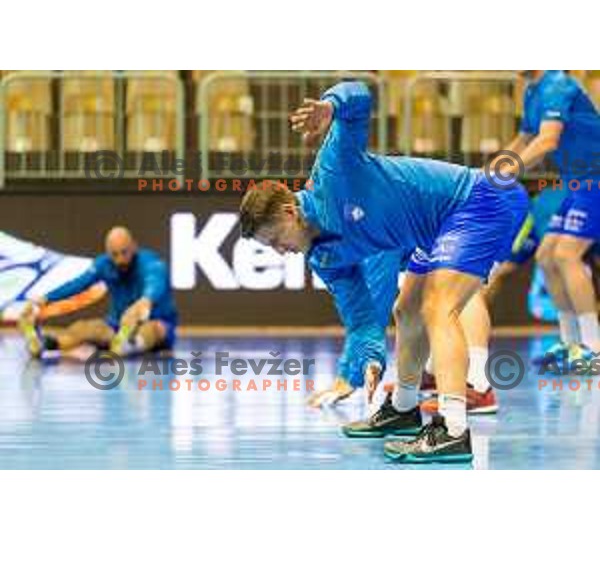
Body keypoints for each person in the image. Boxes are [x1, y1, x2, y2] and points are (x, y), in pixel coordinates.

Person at [240, 81, 529, 463]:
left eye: (276, 238)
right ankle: (404, 409)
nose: (279, 251)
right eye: (269, 247)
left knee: (438, 306)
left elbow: (359, 96)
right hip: (435, 229)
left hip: (479, 199)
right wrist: (370, 360)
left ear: (290, 212)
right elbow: (361, 320)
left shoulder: (333, 170)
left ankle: (454, 429)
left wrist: (330, 107)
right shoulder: (323, 258)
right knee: (405, 310)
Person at [488, 71, 600, 365]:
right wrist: (489, 175)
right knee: (547, 255)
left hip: (596, 180)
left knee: (566, 255)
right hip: (578, 183)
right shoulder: (532, 90)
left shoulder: (558, 84)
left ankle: (594, 348)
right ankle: (570, 343)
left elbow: (547, 141)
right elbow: (523, 139)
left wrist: (510, 173)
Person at [19, 226, 178, 358]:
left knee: (152, 329)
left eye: (124, 252)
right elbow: (78, 284)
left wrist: (145, 301)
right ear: (108, 253)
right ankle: (44, 344)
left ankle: (129, 345)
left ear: (134, 247)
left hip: (156, 324)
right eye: (114, 254)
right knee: (84, 328)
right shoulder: (103, 264)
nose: (120, 260)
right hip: (116, 326)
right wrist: (45, 299)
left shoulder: (150, 262)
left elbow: (156, 283)